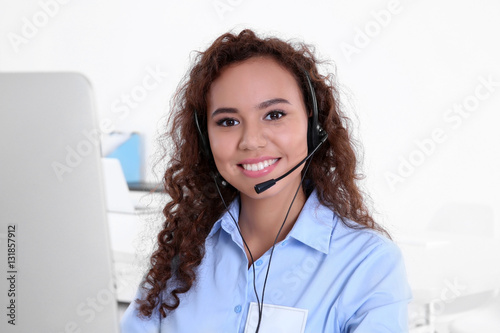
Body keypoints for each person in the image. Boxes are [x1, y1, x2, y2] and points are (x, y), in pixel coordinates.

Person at [121, 29, 412, 333]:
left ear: (313, 125)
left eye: (274, 115)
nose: (251, 141)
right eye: (228, 121)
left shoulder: (368, 263)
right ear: (206, 140)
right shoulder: (185, 251)